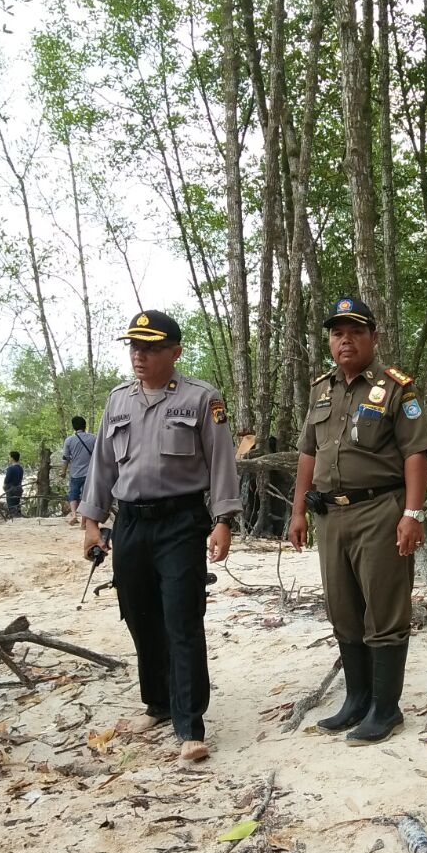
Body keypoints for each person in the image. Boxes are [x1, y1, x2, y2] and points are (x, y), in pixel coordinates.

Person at [79, 310, 241, 763]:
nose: (140, 355)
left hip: (180, 522)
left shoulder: (201, 398)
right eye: (135, 347)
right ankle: (157, 703)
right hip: (130, 523)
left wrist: (224, 520)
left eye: (150, 348)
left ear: (175, 352)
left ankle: (190, 724)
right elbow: (103, 466)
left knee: (182, 618)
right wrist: (92, 523)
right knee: (139, 614)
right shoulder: (118, 401)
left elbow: (222, 461)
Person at [288, 297, 427, 745]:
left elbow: (415, 453)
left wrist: (412, 513)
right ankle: (357, 700)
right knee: (343, 610)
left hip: (380, 511)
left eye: (355, 332)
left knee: (385, 610)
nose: (345, 340)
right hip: (331, 515)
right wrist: (297, 511)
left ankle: (386, 709)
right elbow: (308, 453)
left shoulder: (395, 388)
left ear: (373, 337)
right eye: (337, 333)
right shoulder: (321, 389)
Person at [62, 416, 97, 526]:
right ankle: (84, 521)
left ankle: (74, 515)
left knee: (73, 494)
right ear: (85, 425)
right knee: (86, 497)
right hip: (89, 473)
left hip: (75, 473)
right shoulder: (93, 438)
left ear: (73, 427)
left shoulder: (69, 440)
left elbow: (65, 458)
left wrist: (63, 471)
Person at [3, 451, 24, 517]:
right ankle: (18, 517)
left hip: (11, 489)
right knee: (17, 504)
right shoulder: (20, 468)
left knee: (11, 506)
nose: (9, 458)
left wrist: (4, 486)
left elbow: (7, 480)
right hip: (19, 488)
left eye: (9, 457)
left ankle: (14, 518)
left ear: (12, 458)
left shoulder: (10, 468)